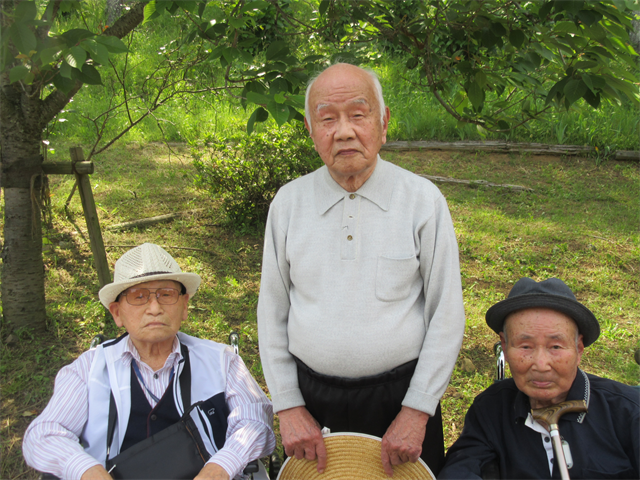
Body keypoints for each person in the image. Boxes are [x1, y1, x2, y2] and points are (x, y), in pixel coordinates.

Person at [257, 62, 465, 477]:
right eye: (327, 118)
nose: (344, 131)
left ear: (383, 121)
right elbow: (271, 311)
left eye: (358, 113)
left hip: (400, 400)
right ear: (310, 129)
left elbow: (446, 313)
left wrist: (418, 410)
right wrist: (289, 405)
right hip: (312, 401)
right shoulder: (289, 203)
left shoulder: (422, 200)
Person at [23, 243, 276, 480]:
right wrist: (87, 470)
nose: (154, 308)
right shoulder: (88, 369)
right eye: (139, 296)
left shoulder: (222, 361)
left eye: (166, 294)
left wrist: (220, 468)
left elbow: (255, 420)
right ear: (117, 313)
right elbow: (43, 434)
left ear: (184, 306)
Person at [439, 277, 640, 480]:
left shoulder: (628, 412)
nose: (541, 365)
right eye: (525, 347)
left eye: (556, 347)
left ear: (578, 349)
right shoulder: (491, 409)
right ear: (506, 347)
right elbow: (460, 468)